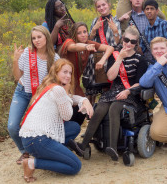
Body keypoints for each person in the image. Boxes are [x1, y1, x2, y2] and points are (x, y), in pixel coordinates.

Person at [68, 26, 148, 162]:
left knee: (115, 108)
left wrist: (127, 91)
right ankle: (83, 145)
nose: (128, 43)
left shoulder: (140, 60)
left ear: (136, 43)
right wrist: (119, 59)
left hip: (130, 93)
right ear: (122, 39)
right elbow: (110, 77)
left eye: (132, 42)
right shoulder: (115, 55)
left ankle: (113, 148)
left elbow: (139, 83)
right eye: (126, 40)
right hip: (114, 90)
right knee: (99, 109)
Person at [19, 59, 94, 182]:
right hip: (38, 140)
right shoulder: (59, 90)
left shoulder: (50, 87)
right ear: (56, 72)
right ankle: (32, 163)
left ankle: (55, 153)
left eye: (70, 73)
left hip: (30, 139)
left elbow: (71, 98)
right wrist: (66, 93)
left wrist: (84, 100)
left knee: (74, 127)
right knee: (75, 166)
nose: (68, 76)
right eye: (65, 72)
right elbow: (67, 115)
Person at [8, 25, 60, 165]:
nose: (36, 40)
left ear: (46, 37)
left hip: (40, 98)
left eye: (39, 37)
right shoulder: (27, 53)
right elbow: (17, 76)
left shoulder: (54, 58)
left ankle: (39, 152)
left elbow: (56, 82)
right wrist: (15, 59)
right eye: (34, 38)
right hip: (22, 92)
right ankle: (25, 151)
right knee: (12, 126)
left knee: (36, 128)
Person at [59, 22, 114, 117]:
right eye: (79, 33)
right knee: (70, 110)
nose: (83, 35)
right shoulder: (69, 42)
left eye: (85, 32)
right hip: (62, 82)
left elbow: (110, 48)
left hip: (75, 83)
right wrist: (85, 47)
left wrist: (102, 60)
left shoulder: (89, 43)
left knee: (82, 110)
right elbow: (73, 47)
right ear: (74, 34)